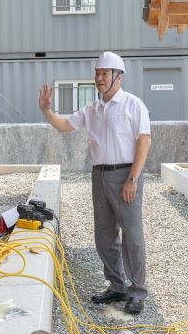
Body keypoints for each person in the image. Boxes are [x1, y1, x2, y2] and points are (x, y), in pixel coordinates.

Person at [38, 51, 152, 314]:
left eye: (104, 74)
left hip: (126, 174)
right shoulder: (92, 109)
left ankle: (137, 291)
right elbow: (65, 125)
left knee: (131, 235)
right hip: (99, 174)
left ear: (118, 77)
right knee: (104, 234)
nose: (99, 78)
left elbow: (144, 141)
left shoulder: (133, 104)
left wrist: (133, 178)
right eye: (97, 74)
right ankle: (116, 285)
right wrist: (47, 111)